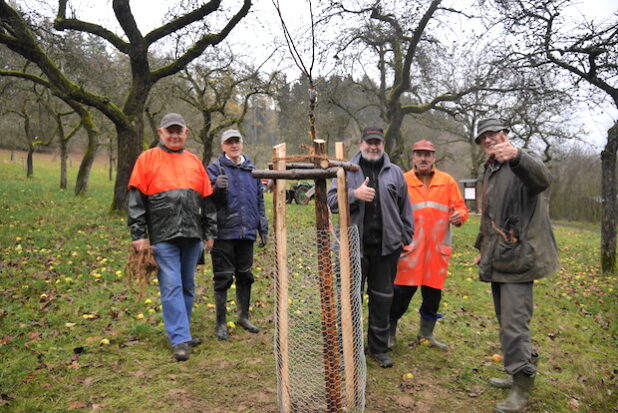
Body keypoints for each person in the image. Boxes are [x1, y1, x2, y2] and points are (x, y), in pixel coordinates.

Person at [473, 118, 559, 413]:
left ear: (505, 135)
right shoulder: (491, 169)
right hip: (499, 255)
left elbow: (543, 180)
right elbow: (491, 215)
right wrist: (481, 247)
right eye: (483, 137)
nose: (489, 140)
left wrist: (519, 156)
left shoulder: (518, 164)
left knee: (514, 324)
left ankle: (522, 386)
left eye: (494, 134)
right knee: (507, 321)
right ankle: (518, 371)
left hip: (520, 257)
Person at [127, 113, 216, 362]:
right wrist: (139, 234)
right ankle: (179, 339)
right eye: (170, 131)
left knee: (187, 285)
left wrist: (209, 232)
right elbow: (135, 200)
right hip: (163, 235)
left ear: (186, 133)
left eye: (179, 131)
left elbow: (206, 200)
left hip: (192, 235)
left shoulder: (194, 161)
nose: (174, 135)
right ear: (160, 133)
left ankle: (182, 331)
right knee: (171, 286)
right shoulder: (147, 159)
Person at [327, 126, 414, 368]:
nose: (373, 146)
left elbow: (406, 208)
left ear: (383, 145)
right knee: (350, 299)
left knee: (382, 299)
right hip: (352, 249)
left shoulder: (395, 173)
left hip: (386, 250)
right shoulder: (345, 170)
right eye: (369, 142)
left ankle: (378, 348)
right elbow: (331, 202)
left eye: (377, 142)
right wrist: (354, 194)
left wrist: (404, 237)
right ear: (360, 144)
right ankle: (350, 350)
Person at [389, 139, 469, 350]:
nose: (423, 158)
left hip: (436, 253)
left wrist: (459, 216)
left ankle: (426, 334)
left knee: (433, 296)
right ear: (413, 157)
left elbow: (461, 208)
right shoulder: (402, 180)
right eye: (419, 154)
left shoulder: (447, 181)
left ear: (434, 157)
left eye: (428, 154)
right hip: (410, 251)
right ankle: (389, 333)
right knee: (400, 296)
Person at [206, 129, 268, 341]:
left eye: (237, 142)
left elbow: (259, 201)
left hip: (246, 232)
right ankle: (221, 322)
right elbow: (207, 201)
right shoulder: (214, 169)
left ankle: (243, 316)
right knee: (222, 278)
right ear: (223, 146)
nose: (233, 146)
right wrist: (216, 188)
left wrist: (263, 228)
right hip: (223, 232)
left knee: (245, 275)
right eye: (229, 143)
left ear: (242, 144)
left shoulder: (252, 170)